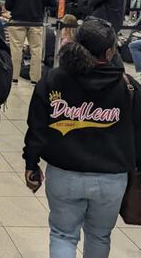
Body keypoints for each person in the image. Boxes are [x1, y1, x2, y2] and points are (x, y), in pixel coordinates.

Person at [23, 18, 141, 257]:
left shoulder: (54, 79)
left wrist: (31, 163)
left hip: (64, 173)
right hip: (112, 178)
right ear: (109, 52)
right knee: (99, 236)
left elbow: (37, 126)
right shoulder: (128, 86)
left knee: (63, 235)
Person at [6, 0, 56, 84]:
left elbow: (8, 4)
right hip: (36, 21)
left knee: (16, 49)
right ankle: (35, 78)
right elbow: (52, 1)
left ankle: (14, 77)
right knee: (36, 49)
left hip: (17, 20)